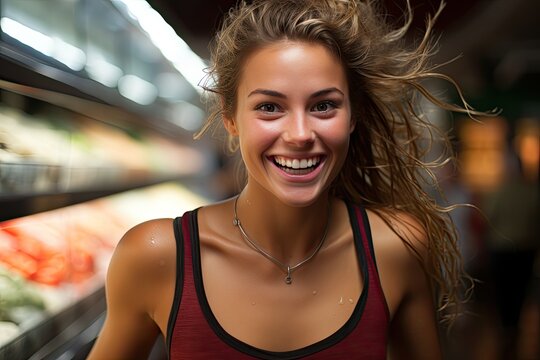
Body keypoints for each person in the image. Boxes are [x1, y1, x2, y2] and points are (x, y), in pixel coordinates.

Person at [88, 0, 479, 358]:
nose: (299, 134)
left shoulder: (396, 248)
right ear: (230, 117)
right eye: (270, 107)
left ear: (353, 116)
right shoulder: (155, 255)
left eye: (324, 105)